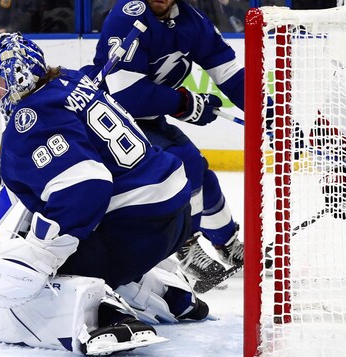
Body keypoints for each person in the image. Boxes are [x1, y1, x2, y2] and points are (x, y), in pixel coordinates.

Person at [0, 32, 211, 354]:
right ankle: (172, 296)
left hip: (136, 224)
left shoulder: (30, 119)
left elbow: (87, 186)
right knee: (100, 251)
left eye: (0, 83)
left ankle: (107, 318)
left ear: (19, 76)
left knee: (48, 270)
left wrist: (43, 254)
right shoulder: (70, 80)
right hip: (172, 213)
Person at [82, 0, 244, 286]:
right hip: (110, 116)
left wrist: (267, 110)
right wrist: (184, 102)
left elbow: (229, 73)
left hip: (148, 117)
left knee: (201, 174)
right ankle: (186, 249)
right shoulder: (127, 16)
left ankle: (227, 243)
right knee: (185, 163)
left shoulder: (192, 21)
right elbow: (128, 95)